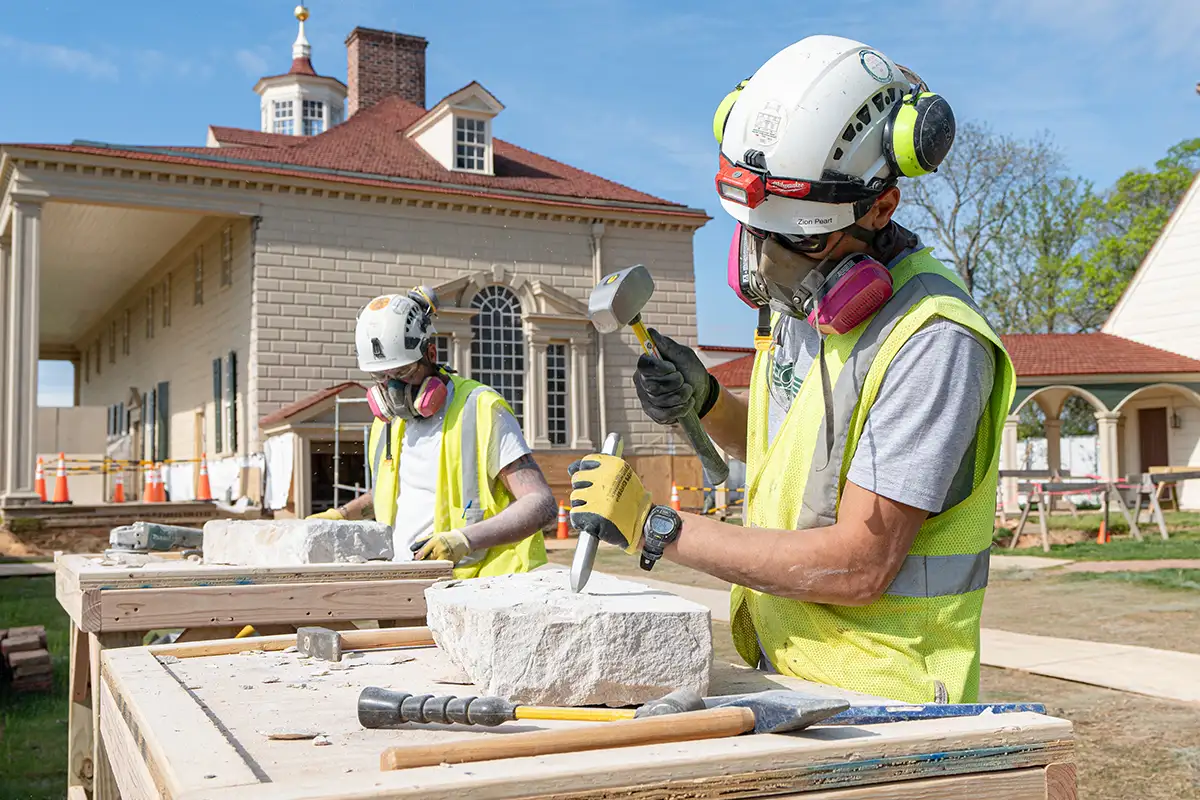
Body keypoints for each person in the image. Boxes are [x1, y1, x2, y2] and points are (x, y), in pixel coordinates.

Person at [567, 36, 1016, 704]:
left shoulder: (935, 341)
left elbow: (860, 564)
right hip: (792, 673)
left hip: (886, 696)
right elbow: (805, 461)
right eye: (755, 232)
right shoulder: (806, 307)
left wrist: (657, 526)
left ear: (881, 208)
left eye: (799, 239)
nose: (771, 261)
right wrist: (709, 398)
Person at [311, 287, 557, 579]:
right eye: (381, 376)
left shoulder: (479, 409)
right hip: (402, 580)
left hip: (475, 587)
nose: (392, 389)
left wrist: (465, 540)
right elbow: (395, 493)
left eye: (402, 373)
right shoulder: (387, 425)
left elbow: (541, 504)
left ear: (430, 353)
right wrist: (342, 515)